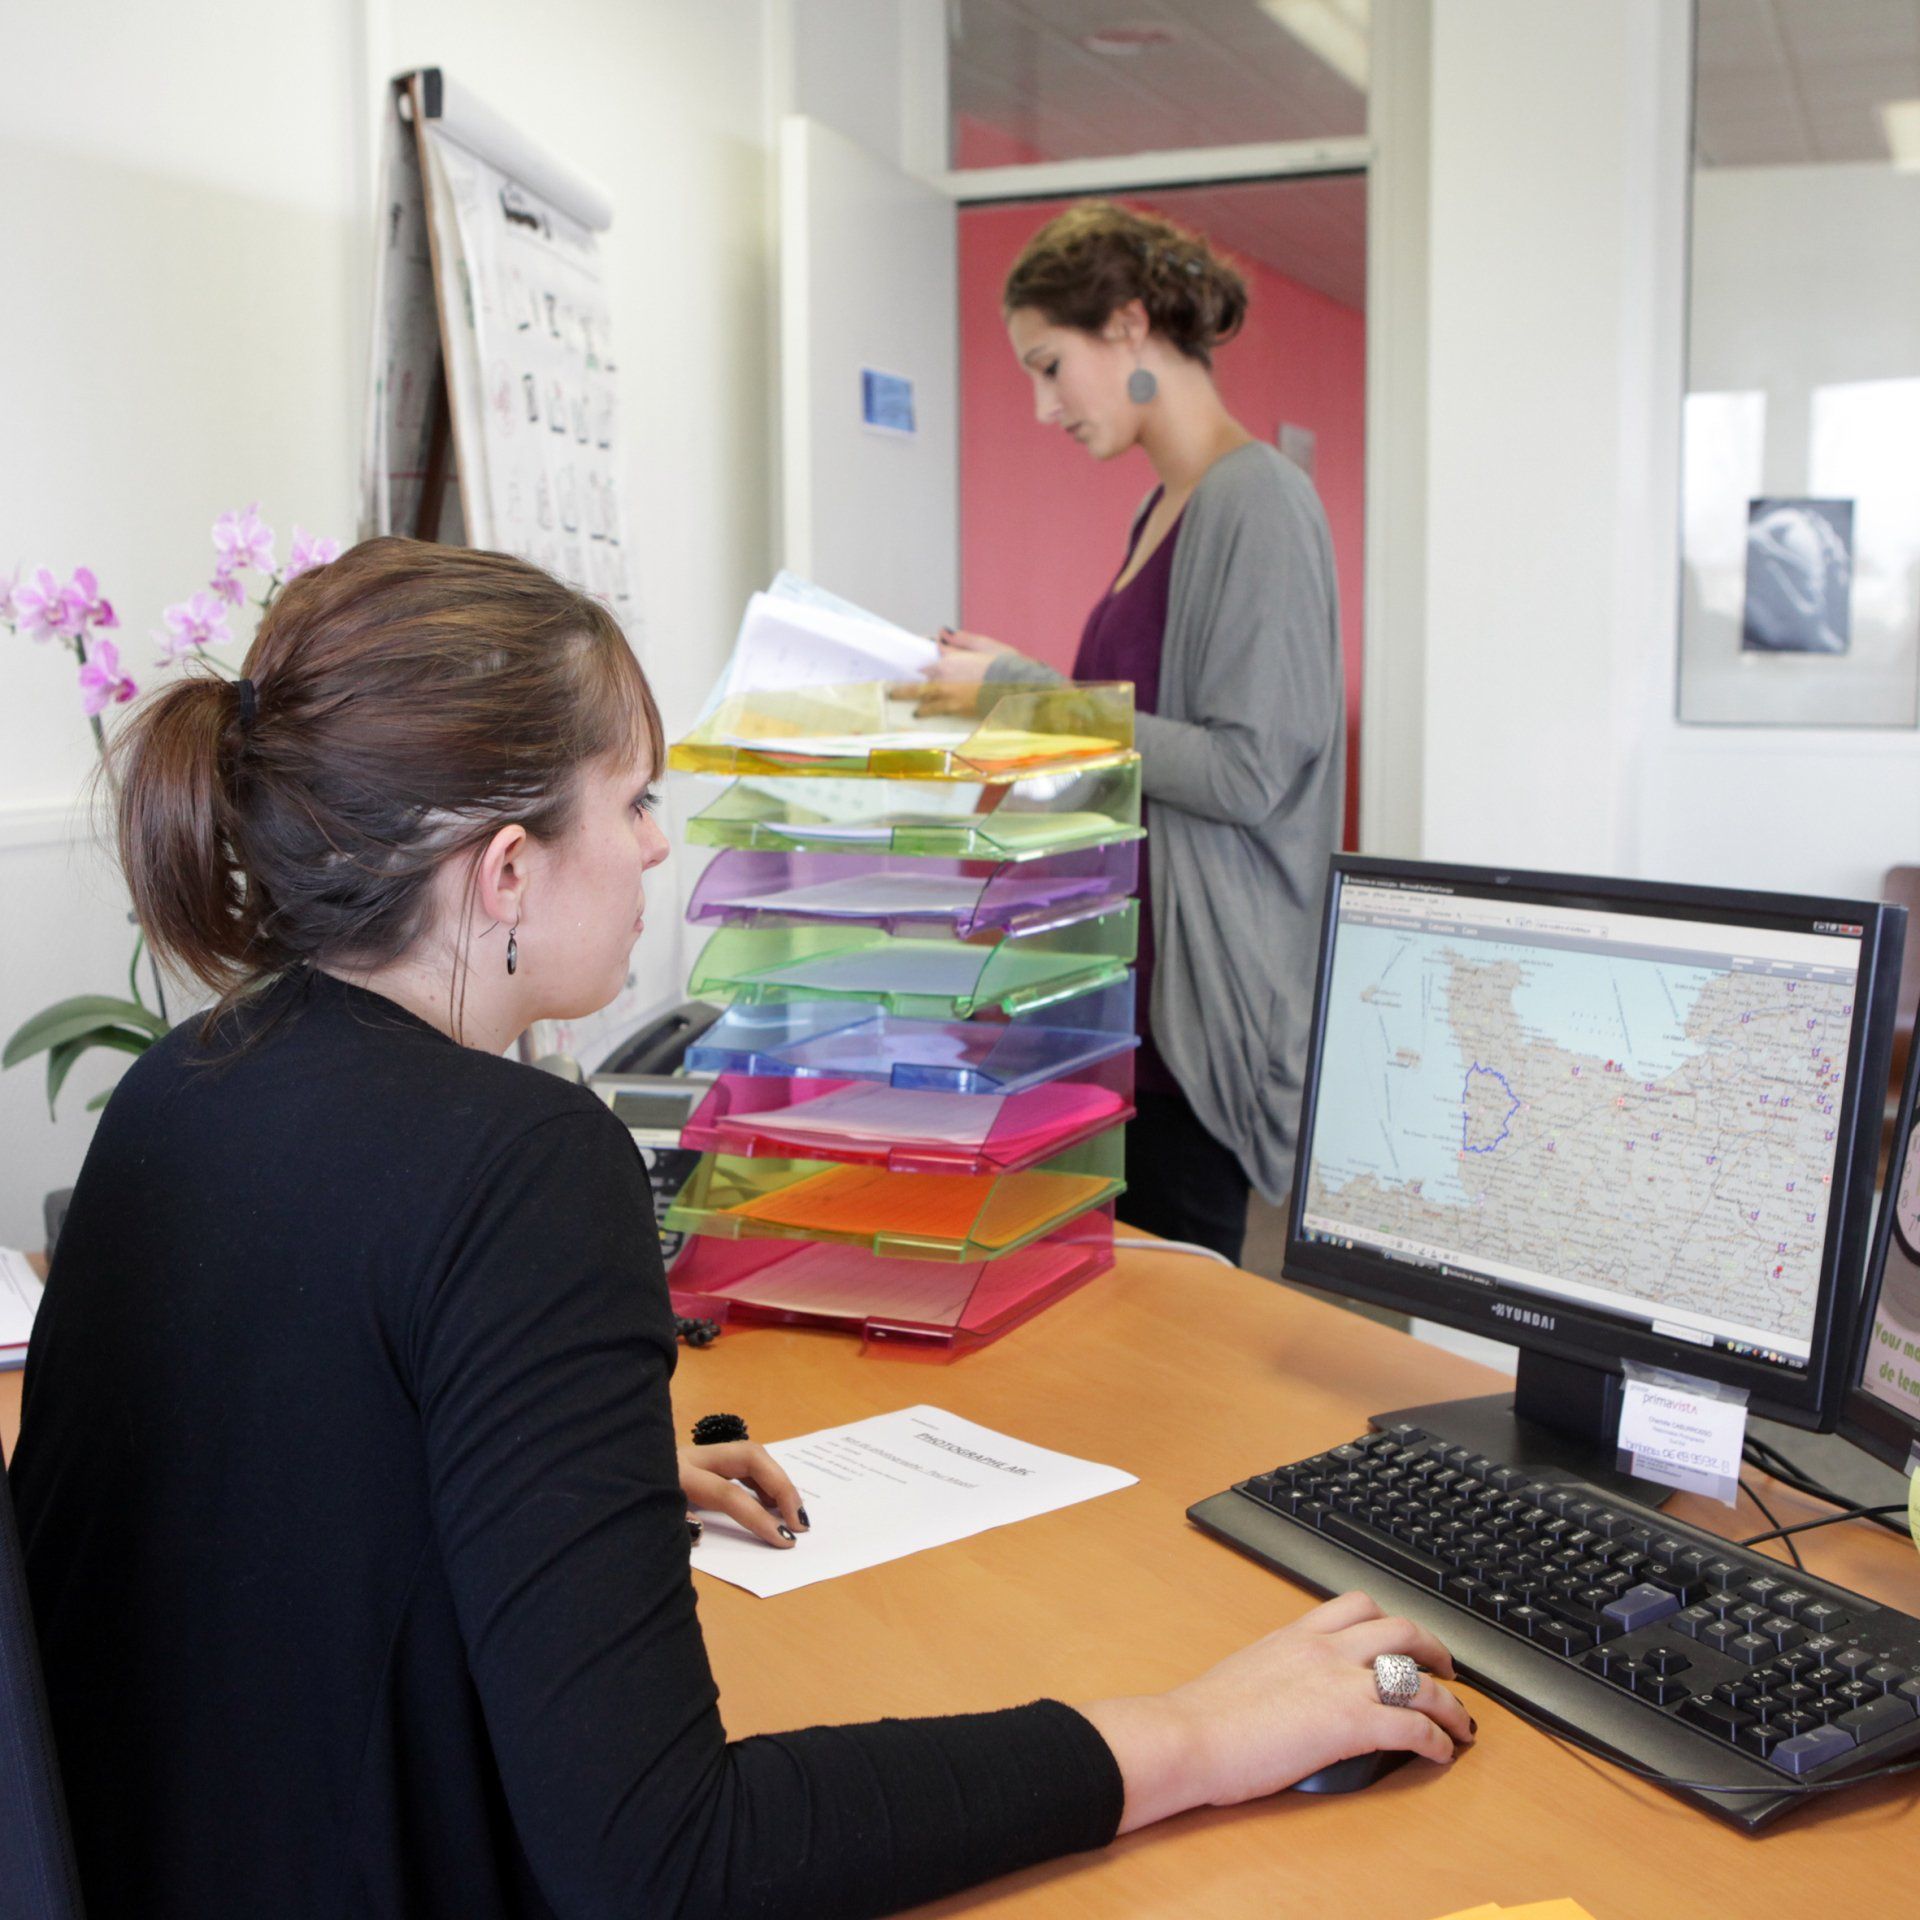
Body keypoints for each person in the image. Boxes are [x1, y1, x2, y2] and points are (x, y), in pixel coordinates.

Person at [11, 539, 1465, 1920]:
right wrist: (1192, 1734)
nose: (658, 848)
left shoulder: (182, 1084)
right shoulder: (525, 1168)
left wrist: (558, 1483)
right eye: (633, 801)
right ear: (506, 871)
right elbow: (668, 1864)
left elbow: (281, 1470)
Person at [926, 202, 1346, 1266]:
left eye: (1048, 365)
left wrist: (1026, 690)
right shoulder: (1165, 505)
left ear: (1124, 328)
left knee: (1184, 1362)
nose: (1040, 404)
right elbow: (1139, 748)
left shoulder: (1260, 503)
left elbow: (1249, 771)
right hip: (1125, 1014)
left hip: (1197, 1027)